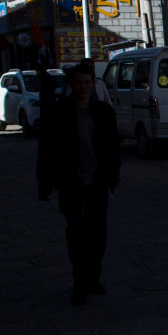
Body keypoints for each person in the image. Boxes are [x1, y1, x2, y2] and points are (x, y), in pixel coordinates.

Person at [37, 64, 121, 306]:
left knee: (98, 235)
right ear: (71, 84)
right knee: (77, 234)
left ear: (93, 84)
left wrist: (114, 178)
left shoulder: (104, 112)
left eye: (87, 82)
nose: (83, 87)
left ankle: (93, 277)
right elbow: (46, 150)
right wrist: (44, 183)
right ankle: (79, 281)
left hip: (97, 183)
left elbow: (112, 149)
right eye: (78, 82)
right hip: (70, 183)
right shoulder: (58, 112)